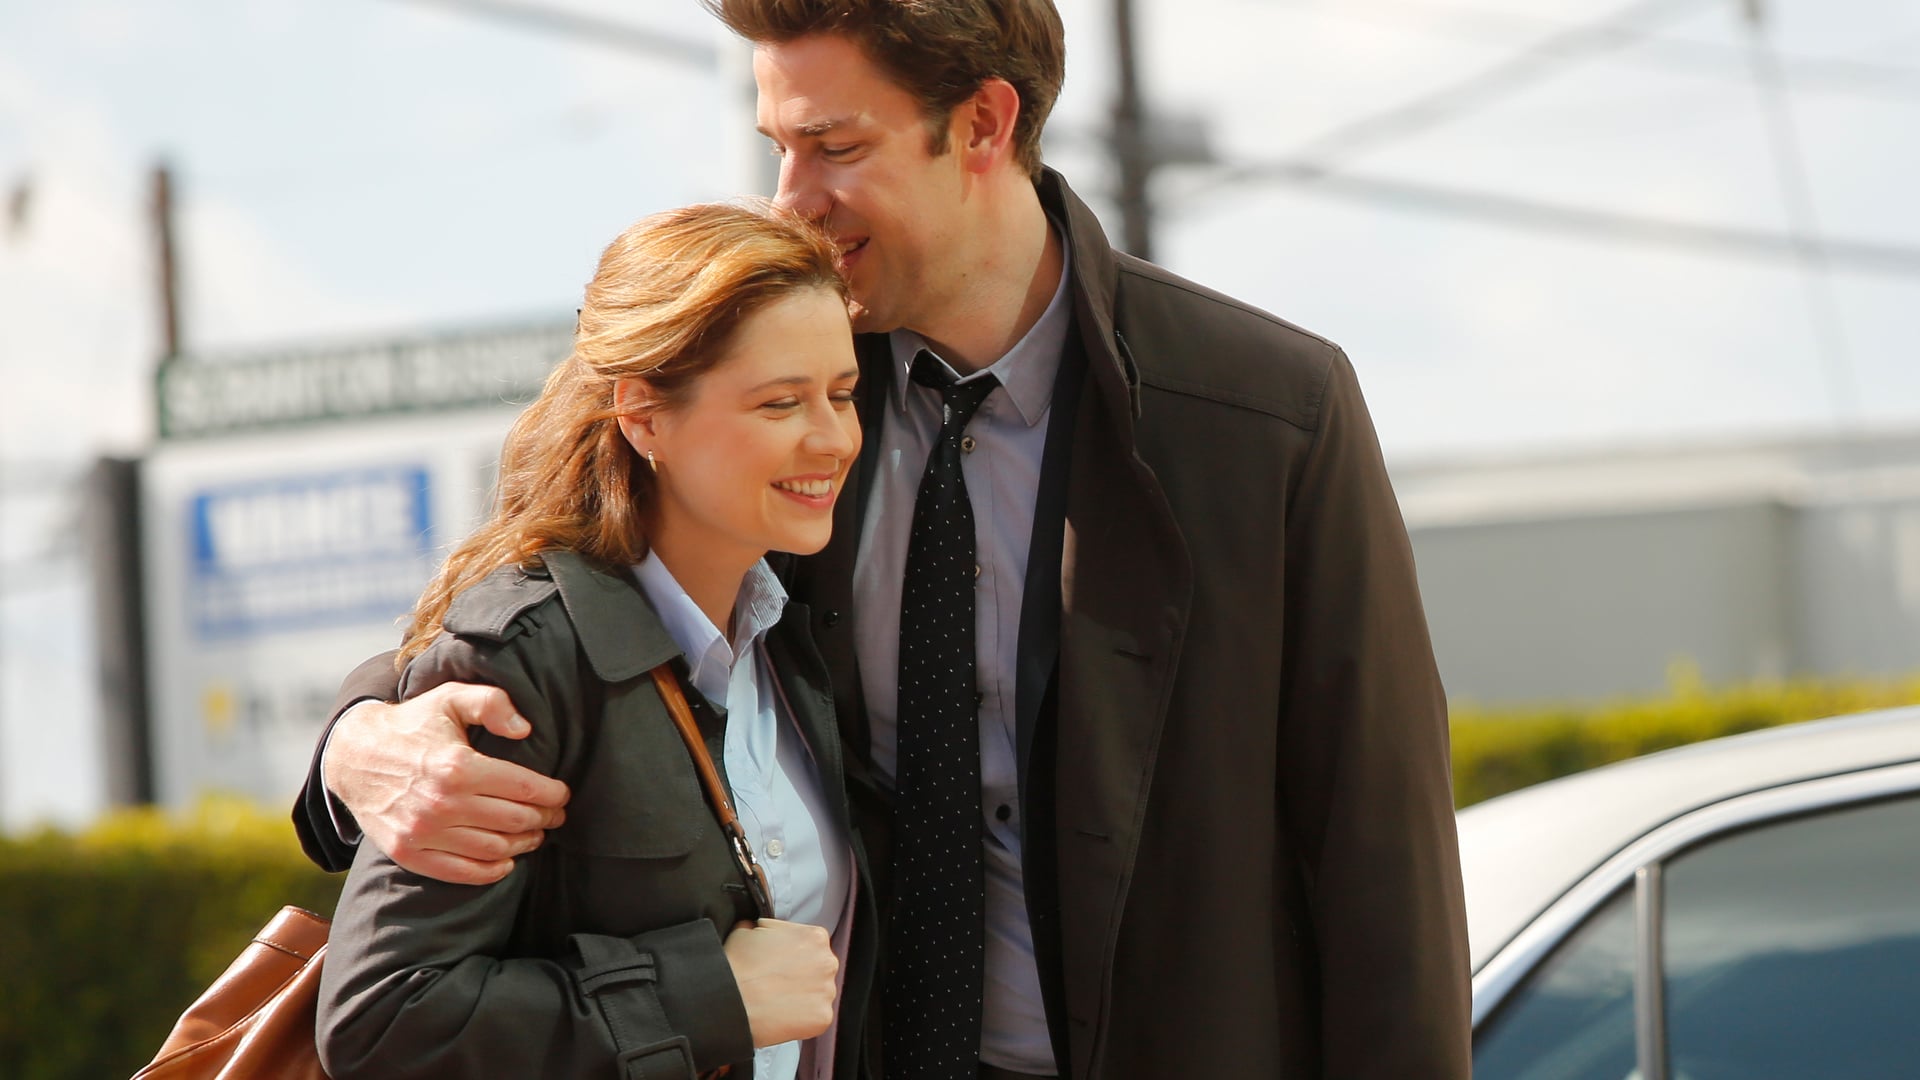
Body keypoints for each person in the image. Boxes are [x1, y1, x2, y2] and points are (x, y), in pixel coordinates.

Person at [296, 2, 1473, 1076]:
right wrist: (358, 737)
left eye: (835, 147)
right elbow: (541, 584)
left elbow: (1383, 860)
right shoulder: (762, 377)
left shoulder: (1267, 415)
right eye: (778, 145)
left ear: (984, 125)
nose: (790, 197)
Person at [312, 202, 874, 1080]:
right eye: (780, 403)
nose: (833, 438)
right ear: (644, 417)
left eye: (841, 394)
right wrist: (704, 1000)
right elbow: (383, 1021)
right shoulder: (525, 662)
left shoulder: (799, 628)